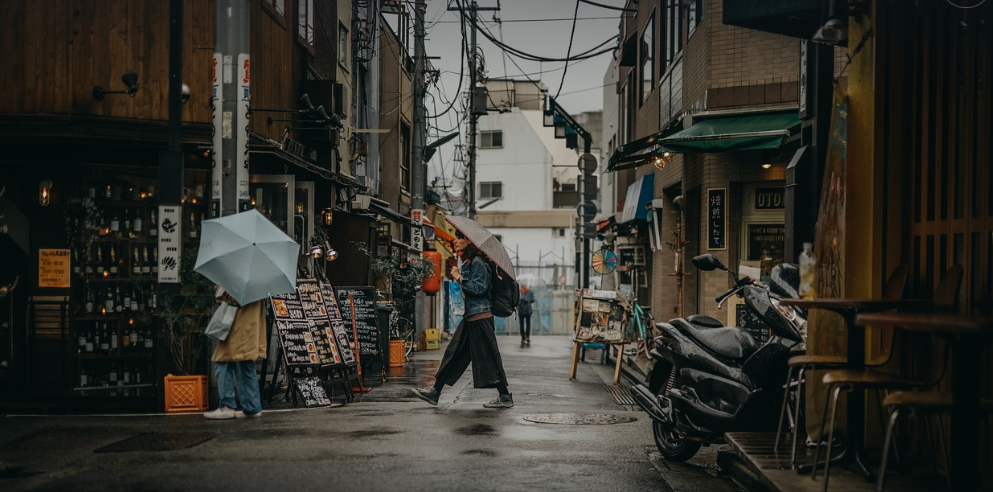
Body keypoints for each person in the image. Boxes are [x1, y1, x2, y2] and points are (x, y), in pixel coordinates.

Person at [412, 230, 513, 408]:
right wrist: (461, 274)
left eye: (460, 238)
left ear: (469, 240)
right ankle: (435, 392)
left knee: (488, 356)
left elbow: (479, 288)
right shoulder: (470, 262)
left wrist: (460, 278)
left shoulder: (479, 262)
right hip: (472, 317)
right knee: (454, 354)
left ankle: (505, 396)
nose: (456, 241)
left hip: (480, 317)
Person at [204, 288, 267, 419]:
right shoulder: (259, 279)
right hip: (251, 325)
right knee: (245, 363)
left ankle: (227, 406)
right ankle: (252, 407)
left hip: (238, 325)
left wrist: (220, 291)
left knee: (223, 361)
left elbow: (233, 299)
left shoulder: (240, 279)